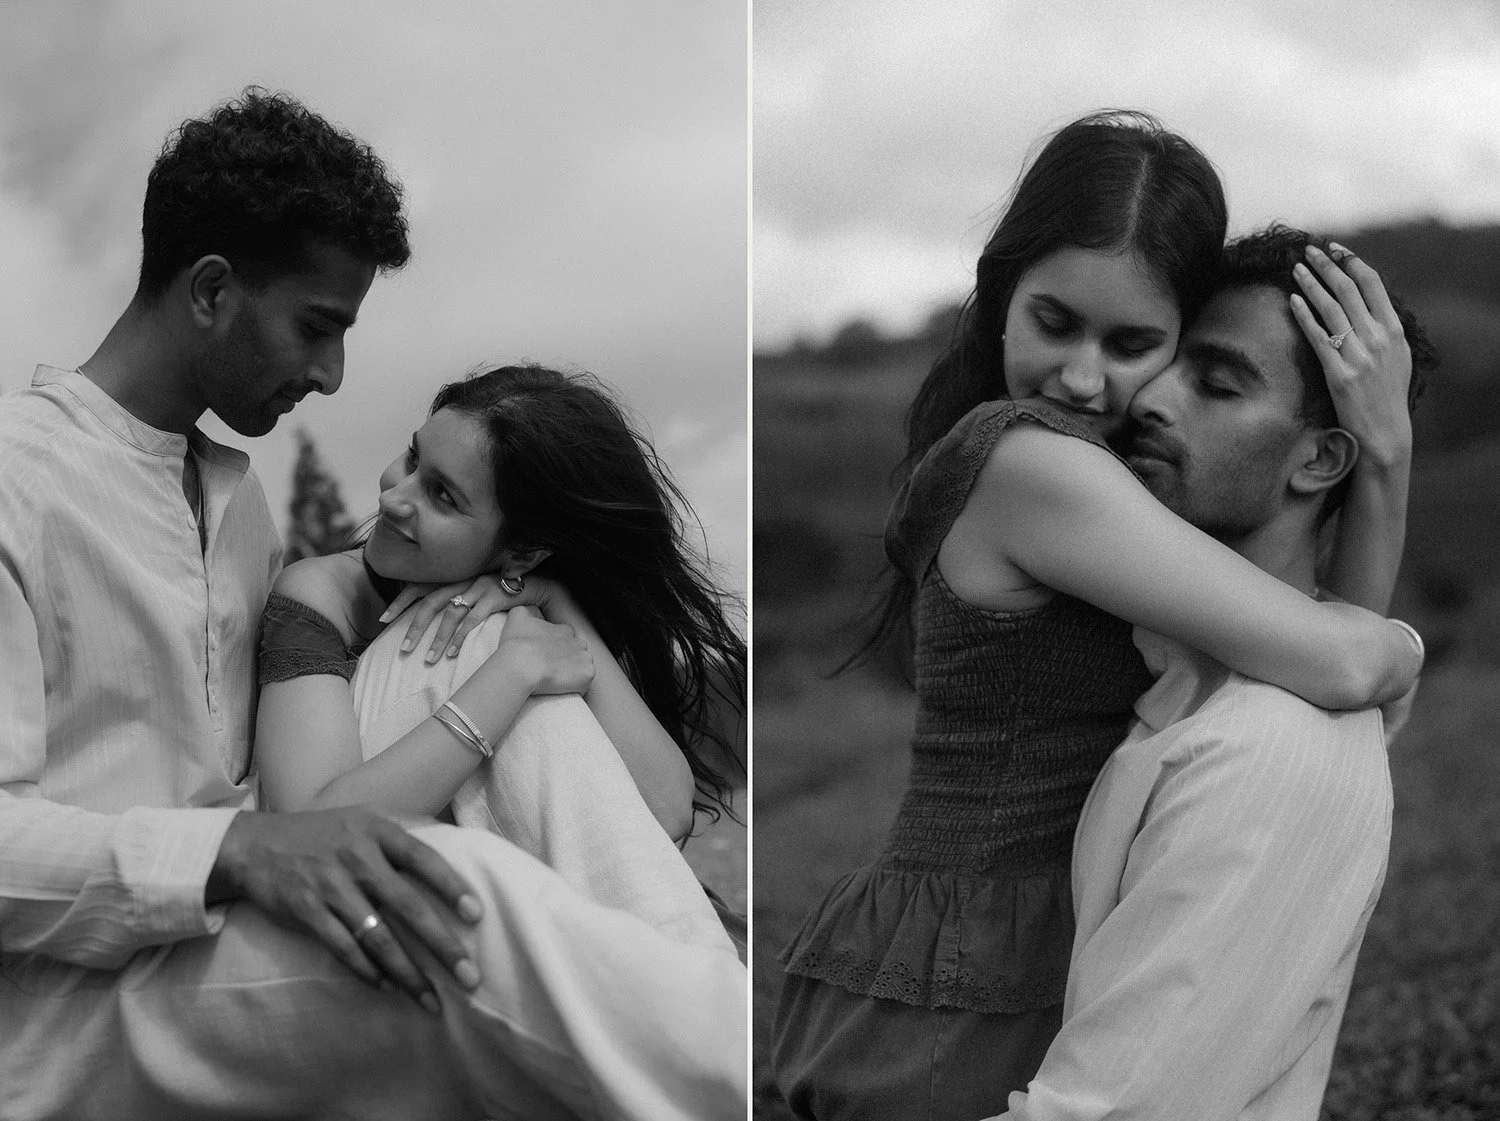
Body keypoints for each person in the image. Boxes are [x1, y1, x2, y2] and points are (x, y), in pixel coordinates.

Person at [0, 88, 745, 1121]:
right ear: (213, 289)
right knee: (461, 902)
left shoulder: (237, 499)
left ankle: (707, 997)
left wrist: (527, 614)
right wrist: (239, 849)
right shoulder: (16, 476)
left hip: (239, 921)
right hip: (82, 1003)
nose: (335, 374)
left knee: (489, 649)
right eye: (317, 326)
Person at [769, 111, 1423, 1120]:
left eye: (1132, 343)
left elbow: (1294, 660)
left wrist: (1378, 450)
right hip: (960, 965)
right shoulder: (1033, 463)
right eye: (1054, 321)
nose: (1082, 376)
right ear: (1000, 300)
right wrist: (1397, 623)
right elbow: (1330, 662)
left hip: (1038, 936)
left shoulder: (1130, 484)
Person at [990, 225, 1432, 1121]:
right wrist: (1382, 465)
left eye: (1217, 384)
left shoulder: (1267, 749)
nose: (1149, 398)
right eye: (1166, 361)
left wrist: (1387, 454)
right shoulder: (1161, 668)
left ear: (1318, 459)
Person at [253, 363, 747, 952]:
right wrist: (507, 678)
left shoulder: (527, 614)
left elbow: (666, 808)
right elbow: (303, 830)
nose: (393, 496)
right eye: (413, 461)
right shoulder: (318, 592)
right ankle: (688, 971)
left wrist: (553, 601)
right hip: (369, 903)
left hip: (492, 908)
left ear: (523, 553)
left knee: (505, 633)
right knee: (492, 642)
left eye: (442, 495)